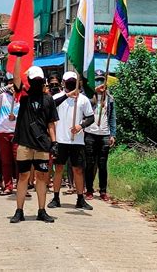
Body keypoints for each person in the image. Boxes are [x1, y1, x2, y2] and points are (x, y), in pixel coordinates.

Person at [10, 64, 58, 223]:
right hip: (24, 143)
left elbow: (51, 123)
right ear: (30, 81)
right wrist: (18, 58)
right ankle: (19, 211)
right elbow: (16, 80)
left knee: (42, 177)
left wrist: (54, 141)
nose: (37, 83)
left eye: (39, 80)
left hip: (42, 145)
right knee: (23, 176)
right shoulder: (23, 96)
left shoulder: (48, 99)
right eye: (34, 80)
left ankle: (42, 210)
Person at [48, 71, 95, 211]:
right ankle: (56, 197)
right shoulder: (57, 97)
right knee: (59, 169)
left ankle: (80, 198)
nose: (70, 84)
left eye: (72, 82)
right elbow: (51, 105)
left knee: (78, 170)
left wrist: (81, 125)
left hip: (77, 141)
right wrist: (67, 95)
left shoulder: (83, 100)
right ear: (63, 83)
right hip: (61, 140)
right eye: (68, 82)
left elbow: (91, 117)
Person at [84, 70, 116, 201]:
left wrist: (113, 134)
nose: (100, 82)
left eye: (101, 80)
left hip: (104, 134)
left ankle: (103, 191)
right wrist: (95, 92)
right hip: (90, 133)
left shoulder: (110, 98)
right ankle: (89, 190)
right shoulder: (88, 97)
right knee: (90, 163)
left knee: (103, 164)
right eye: (97, 80)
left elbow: (112, 117)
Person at [0, 73, 20, 196]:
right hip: (2, 132)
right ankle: (8, 186)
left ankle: (21, 185)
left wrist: (16, 116)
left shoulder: (22, 97)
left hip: (17, 132)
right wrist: (8, 87)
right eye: (10, 82)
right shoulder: (2, 96)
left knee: (19, 161)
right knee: (6, 161)